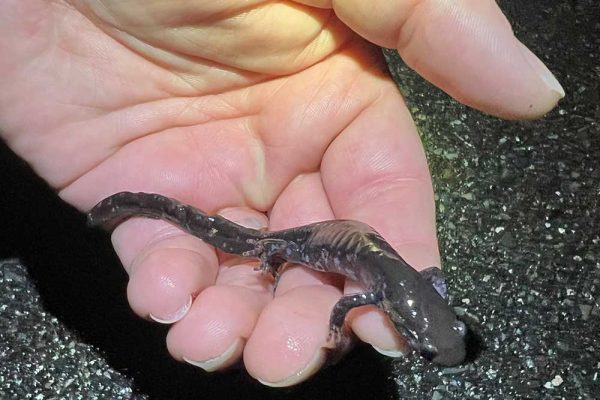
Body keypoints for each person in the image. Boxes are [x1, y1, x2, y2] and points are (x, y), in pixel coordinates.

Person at [0, 0, 563, 387]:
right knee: (250, 244)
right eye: (430, 343)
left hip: (329, 243)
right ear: (412, 321)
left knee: (242, 247)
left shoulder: (410, 289)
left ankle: (131, 211)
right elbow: (345, 301)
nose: (433, 345)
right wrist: (327, 318)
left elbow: (392, 288)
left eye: (438, 339)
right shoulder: (387, 292)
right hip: (298, 242)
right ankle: (137, 209)